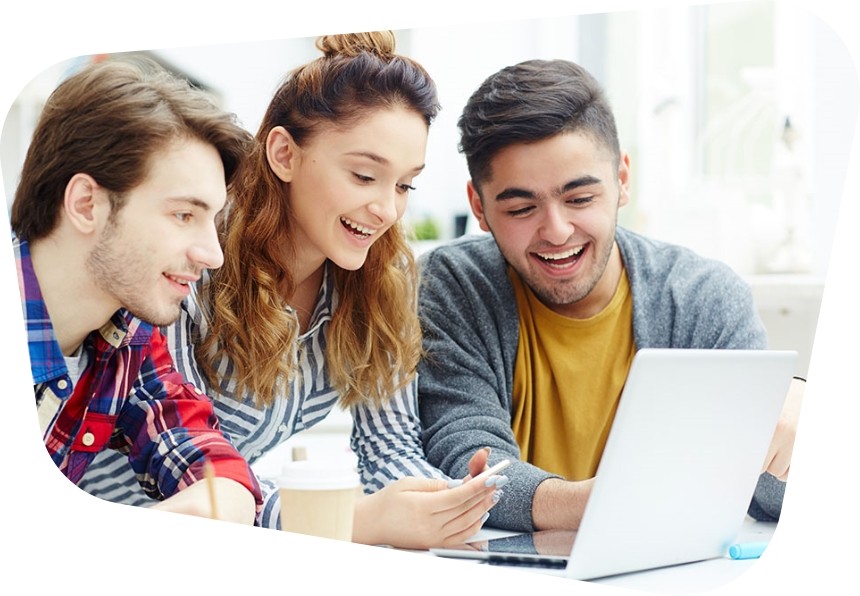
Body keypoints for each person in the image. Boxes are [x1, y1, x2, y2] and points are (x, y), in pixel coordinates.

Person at [79, 32, 504, 549]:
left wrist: (439, 504)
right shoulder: (193, 261)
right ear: (284, 153)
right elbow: (194, 470)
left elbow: (388, 447)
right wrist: (351, 519)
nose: (388, 210)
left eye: (403, 185)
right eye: (365, 175)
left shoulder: (378, 281)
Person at [416, 58, 804, 533]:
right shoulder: (451, 288)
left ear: (622, 179)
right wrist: (600, 502)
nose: (557, 231)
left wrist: (796, 435)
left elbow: (769, 500)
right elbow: (466, 461)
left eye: (580, 199)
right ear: (479, 206)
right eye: (521, 208)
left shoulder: (703, 298)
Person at [10, 58, 263, 523]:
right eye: (184, 215)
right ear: (87, 204)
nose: (214, 254)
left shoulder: (126, 339)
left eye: (214, 220)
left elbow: (216, 474)